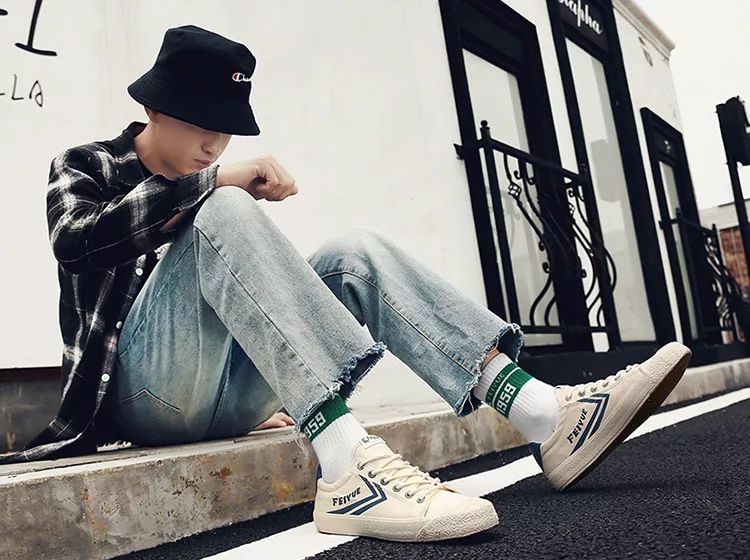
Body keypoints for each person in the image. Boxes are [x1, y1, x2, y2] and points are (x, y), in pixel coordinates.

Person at [1, 24, 692, 542]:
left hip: (223, 398)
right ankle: (347, 466)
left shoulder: (207, 171)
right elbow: (76, 243)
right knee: (224, 205)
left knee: (353, 252)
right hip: (138, 401)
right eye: (201, 126)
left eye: (226, 131)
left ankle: (543, 413)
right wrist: (214, 185)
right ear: (155, 109)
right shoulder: (87, 164)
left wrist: (251, 383)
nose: (215, 144)